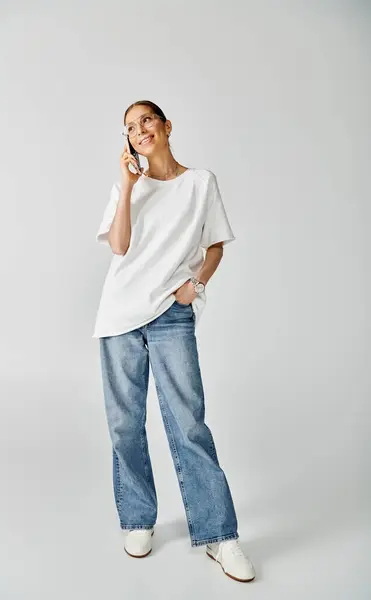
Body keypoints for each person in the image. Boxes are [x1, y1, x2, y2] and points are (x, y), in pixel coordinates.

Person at [92, 100, 255, 583]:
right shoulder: (129, 187)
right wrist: (126, 186)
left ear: (166, 126)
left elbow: (216, 245)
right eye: (129, 126)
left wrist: (196, 285)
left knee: (188, 425)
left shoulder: (200, 182)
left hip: (170, 314)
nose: (139, 129)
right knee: (125, 426)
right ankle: (139, 519)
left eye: (146, 120)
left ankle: (220, 536)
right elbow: (119, 246)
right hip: (119, 315)